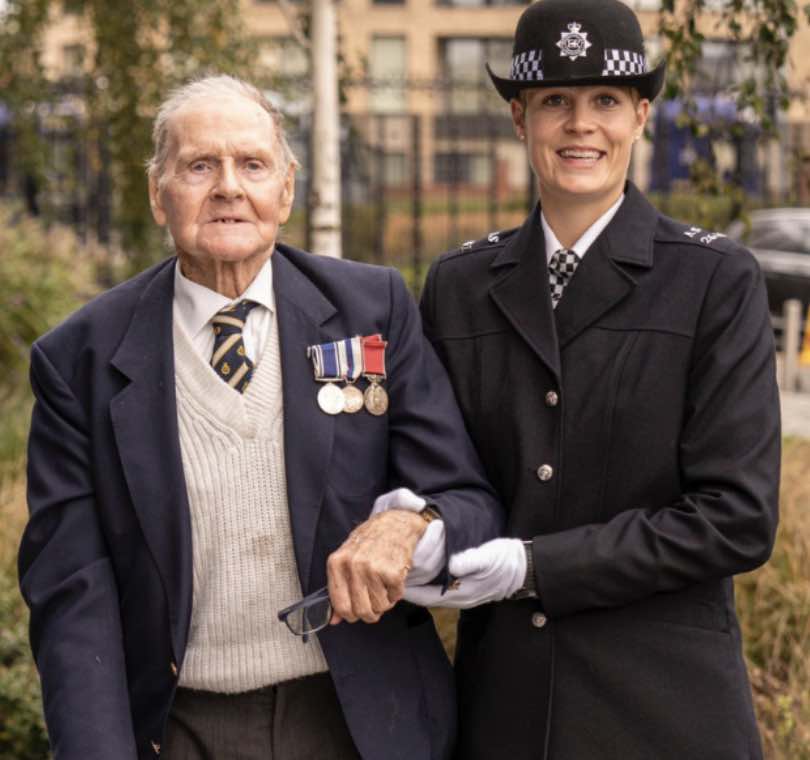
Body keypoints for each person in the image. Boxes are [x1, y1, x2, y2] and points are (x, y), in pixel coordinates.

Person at [18, 75, 502, 760]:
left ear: (287, 188)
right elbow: (73, 592)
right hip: (176, 728)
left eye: (251, 164)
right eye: (198, 166)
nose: (227, 187)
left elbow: (471, 503)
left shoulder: (373, 309)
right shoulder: (80, 359)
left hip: (357, 720)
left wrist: (412, 522)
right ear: (159, 193)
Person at [406, 1, 780, 758]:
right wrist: (417, 520)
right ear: (520, 119)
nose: (581, 125)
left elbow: (736, 515)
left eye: (605, 101)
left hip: (664, 710)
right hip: (507, 707)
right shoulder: (460, 284)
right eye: (555, 103)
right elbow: (446, 469)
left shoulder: (713, 280)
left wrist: (536, 566)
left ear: (641, 115)